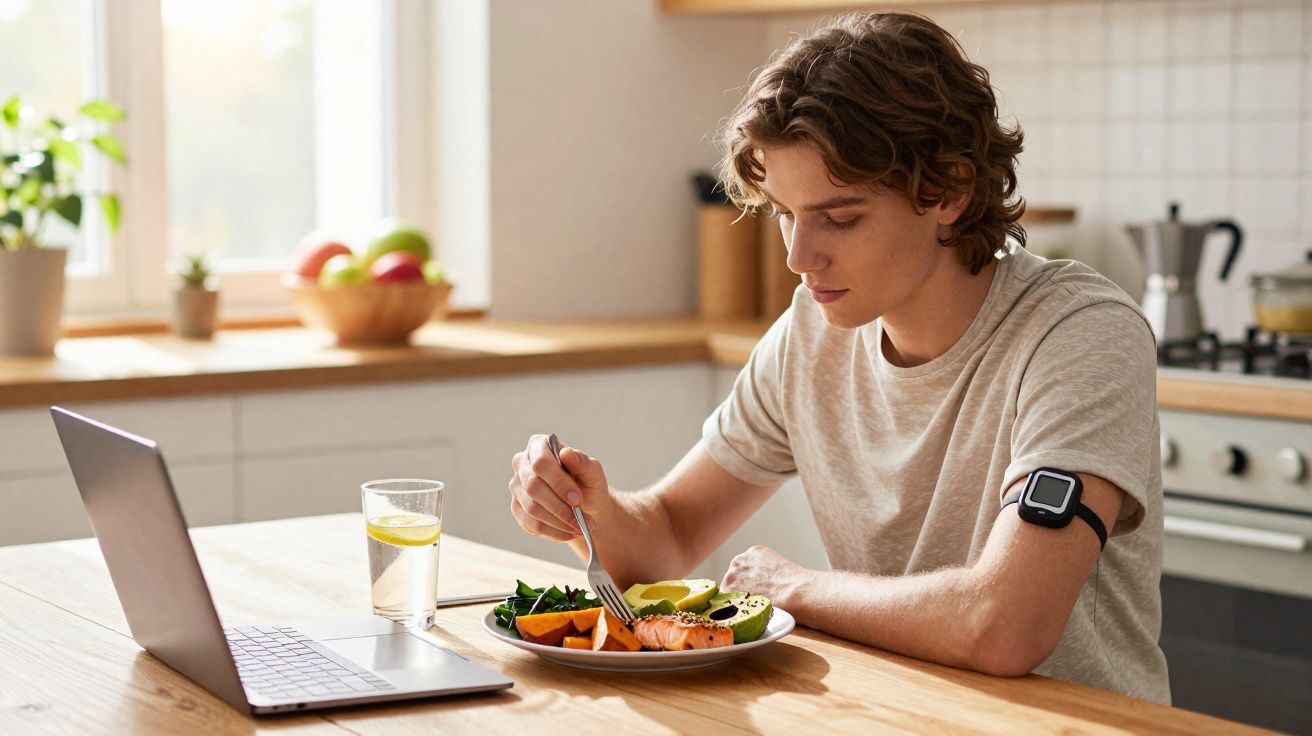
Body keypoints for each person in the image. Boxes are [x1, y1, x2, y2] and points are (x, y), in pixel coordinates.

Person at [507, 11, 1168, 703]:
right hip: (902, 712)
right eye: (784, 213)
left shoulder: (1078, 333)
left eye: (840, 218)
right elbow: (669, 536)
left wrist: (797, 590)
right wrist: (586, 511)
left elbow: (1005, 625)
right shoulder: (811, 333)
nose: (798, 257)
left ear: (949, 190)